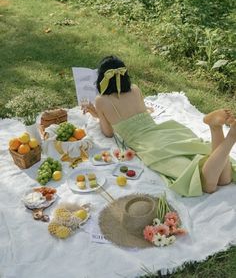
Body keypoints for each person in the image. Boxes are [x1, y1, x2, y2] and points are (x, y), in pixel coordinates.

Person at [83, 55, 236, 197]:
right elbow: (140, 112)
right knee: (224, 179)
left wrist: (98, 115)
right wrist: (99, 114)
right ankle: (215, 129)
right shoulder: (135, 89)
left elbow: (108, 133)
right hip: (163, 132)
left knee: (206, 185)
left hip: (148, 144)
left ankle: (230, 136)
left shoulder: (101, 100)